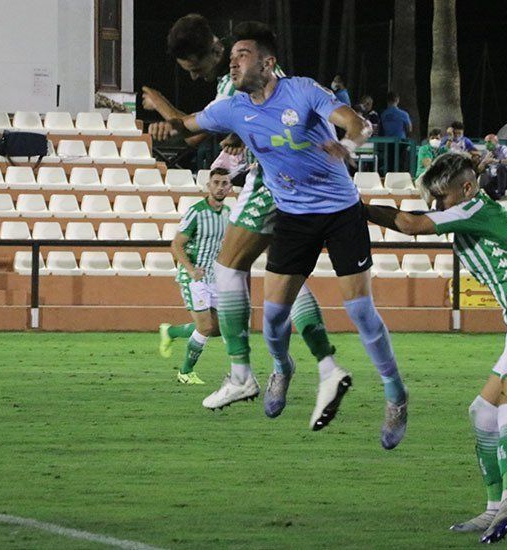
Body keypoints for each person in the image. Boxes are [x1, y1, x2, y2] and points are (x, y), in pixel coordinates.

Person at [149, 25, 409, 448]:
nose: (234, 61)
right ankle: (283, 368)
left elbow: (355, 123)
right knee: (271, 319)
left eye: (244, 54)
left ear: (268, 63)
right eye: (231, 55)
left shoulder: (302, 91)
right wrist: (166, 127)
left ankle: (396, 395)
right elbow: (187, 126)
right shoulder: (232, 107)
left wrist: (348, 143)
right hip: (293, 219)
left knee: (361, 312)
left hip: (341, 212)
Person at [365, 153, 507, 543]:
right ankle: (495, 507)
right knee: (482, 411)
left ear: (464, 190)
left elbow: (411, 224)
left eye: (442, 198)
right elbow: (421, 213)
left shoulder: (475, 206)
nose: (437, 207)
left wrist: (356, 208)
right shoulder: (469, 208)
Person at [146, 18, 343, 419]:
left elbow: (193, 133)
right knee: (284, 282)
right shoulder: (258, 67)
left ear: (216, 50)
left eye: (196, 66)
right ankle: (323, 366)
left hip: (276, 179)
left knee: (227, 269)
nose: (197, 75)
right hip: (305, 182)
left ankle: (241, 375)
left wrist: (160, 104)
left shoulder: (236, 80)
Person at [159, 167, 234, 384]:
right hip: (194, 278)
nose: (220, 187)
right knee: (205, 327)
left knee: (217, 329)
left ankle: (171, 332)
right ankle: (185, 372)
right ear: (208, 185)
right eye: (216, 182)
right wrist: (191, 270)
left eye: (224, 183)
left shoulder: (228, 213)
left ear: (229, 187)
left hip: (213, 277)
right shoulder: (196, 212)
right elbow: (176, 244)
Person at [477, 134, 507, 200]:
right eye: (485, 142)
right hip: (495, 179)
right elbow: (479, 169)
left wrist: (497, 161)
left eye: (489, 142)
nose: (487, 144)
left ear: (496, 141)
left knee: (501, 167)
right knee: (486, 184)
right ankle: (497, 199)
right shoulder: (485, 153)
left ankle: (501, 194)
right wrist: (484, 162)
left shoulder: (503, 149)